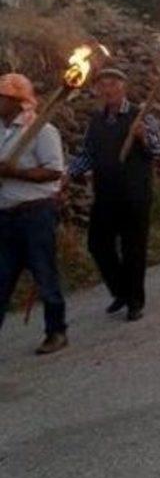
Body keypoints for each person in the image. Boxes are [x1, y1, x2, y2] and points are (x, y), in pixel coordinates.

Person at [69, 66, 160, 321]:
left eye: (113, 84)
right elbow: (87, 154)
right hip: (106, 193)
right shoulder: (97, 120)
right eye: (103, 85)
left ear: (124, 87)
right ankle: (121, 290)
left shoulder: (141, 116)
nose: (108, 89)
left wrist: (143, 137)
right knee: (97, 244)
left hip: (135, 194)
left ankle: (134, 301)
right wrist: (67, 175)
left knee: (134, 248)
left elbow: (157, 150)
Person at [0, 73, 67, 354]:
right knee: (1, 278)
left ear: (16, 101)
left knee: (43, 273)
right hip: (5, 216)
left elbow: (54, 171)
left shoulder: (41, 130)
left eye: (2, 97)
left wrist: (16, 172)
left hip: (36, 214)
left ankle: (56, 331)